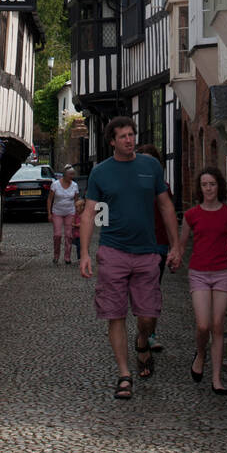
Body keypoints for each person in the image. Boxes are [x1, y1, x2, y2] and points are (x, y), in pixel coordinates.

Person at [79, 117, 181, 400]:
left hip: (147, 252)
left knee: (148, 315)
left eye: (132, 134)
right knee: (115, 314)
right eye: (123, 136)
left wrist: (175, 246)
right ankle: (124, 374)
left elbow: (165, 206)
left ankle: (142, 339)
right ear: (112, 141)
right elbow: (89, 213)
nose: (129, 139)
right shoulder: (101, 173)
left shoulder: (151, 167)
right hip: (112, 252)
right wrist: (85, 253)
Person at [180, 167, 227, 396]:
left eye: (212, 184)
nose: (208, 188)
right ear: (200, 188)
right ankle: (200, 353)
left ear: (219, 187)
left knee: (218, 325)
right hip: (198, 272)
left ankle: (217, 378)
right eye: (205, 185)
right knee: (203, 325)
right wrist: (175, 257)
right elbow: (182, 243)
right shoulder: (191, 215)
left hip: (223, 273)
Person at [135, 143, 171, 353]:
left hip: (158, 245)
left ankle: (151, 334)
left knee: (153, 290)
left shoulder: (164, 187)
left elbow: (169, 220)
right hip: (136, 246)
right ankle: (144, 330)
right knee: (141, 292)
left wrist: (175, 247)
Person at [47, 165, 78, 265]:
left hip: (70, 212)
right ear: (65, 175)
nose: (72, 176)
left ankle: (67, 257)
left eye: (73, 174)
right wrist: (49, 213)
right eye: (70, 174)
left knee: (69, 235)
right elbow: (50, 199)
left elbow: (76, 201)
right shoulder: (55, 185)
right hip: (57, 212)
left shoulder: (75, 185)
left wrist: (77, 215)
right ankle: (56, 255)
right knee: (57, 235)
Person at [71, 197, 85, 263]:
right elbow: (72, 221)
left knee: (82, 247)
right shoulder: (76, 214)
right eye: (75, 207)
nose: (76, 209)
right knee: (78, 247)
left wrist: (75, 225)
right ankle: (79, 258)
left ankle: (82, 258)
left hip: (82, 235)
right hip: (76, 234)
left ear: (82, 207)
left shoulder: (84, 215)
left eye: (77, 207)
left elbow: (81, 224)